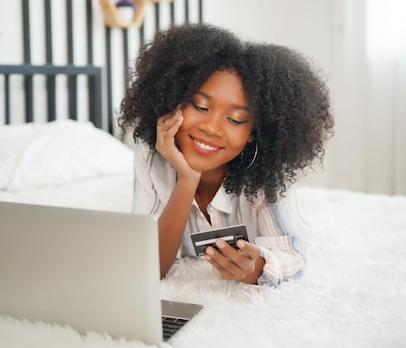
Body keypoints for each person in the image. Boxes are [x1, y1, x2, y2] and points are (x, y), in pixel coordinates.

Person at [118, 23, 334, 287]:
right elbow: (148, 267)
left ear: (254, 131)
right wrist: (187, 179)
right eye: (200, 106)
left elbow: (292, 256)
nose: (211, 128)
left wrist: (255, 269)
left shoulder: (267, 173)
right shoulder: (151, 155)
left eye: (235, 119)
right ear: (173, 99)